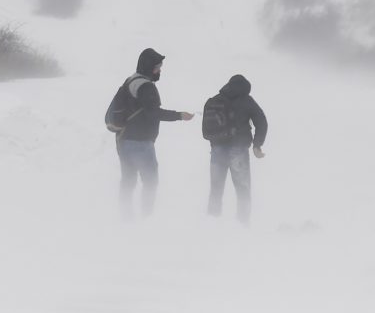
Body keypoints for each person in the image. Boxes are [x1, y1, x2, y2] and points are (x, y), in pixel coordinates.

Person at [105, 48, 193, 217]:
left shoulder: (131, 80)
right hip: (140, 142)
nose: (159, 71)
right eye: (157, 67)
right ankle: (147, 218)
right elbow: (153, 113)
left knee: (128, 180)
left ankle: (125, 218)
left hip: (123, 139)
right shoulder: (146, 87)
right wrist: (179, 115)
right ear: (148, 67)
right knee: (151, 181)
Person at [202, 74, 268, 223]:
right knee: (243, 190)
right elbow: (261, 121)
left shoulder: (216, 100)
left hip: (217, 150)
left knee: (216, 190)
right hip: (238, 150)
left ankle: (211, 224)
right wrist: (257, 144)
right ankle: (242, 224)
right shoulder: (246, 100)